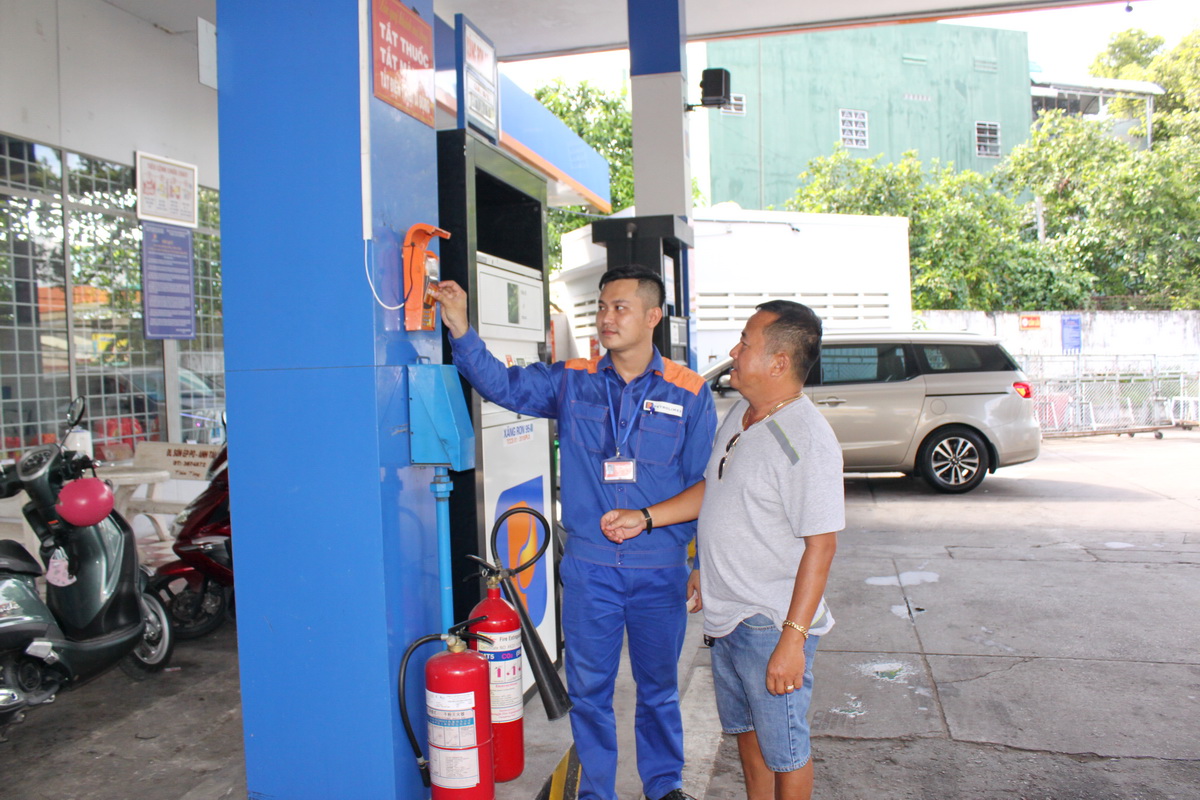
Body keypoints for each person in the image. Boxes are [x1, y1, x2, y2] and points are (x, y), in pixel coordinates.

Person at [431, 266, 716, 800]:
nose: (607, 317)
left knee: (658, 689)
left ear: (652, 316)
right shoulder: (571, 379)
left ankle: (664, 785)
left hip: (660, 568)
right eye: (602, 307)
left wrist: (702, 563)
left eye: (620, 307)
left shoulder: (690, 391)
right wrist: (461, 327)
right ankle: (595, 792)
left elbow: (706, 485)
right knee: (590, 693)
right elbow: (502, 384)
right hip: (590, 570)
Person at [601, 300, 843, 800]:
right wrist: (649, 520)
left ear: (778, 363)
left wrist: (793, 640)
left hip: (769, 622)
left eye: (746, 343)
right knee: (747, 737)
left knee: (786, 751)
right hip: (727, 615)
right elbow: (716, 489)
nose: (734, 351)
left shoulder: (807, 439)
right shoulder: (742, 414)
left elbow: (821, 546)